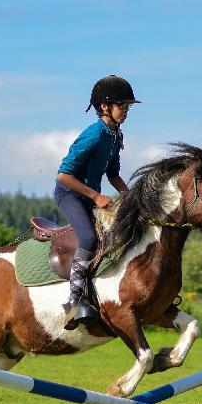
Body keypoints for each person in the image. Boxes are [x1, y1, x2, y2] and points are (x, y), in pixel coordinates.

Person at [55, 74, 141, 327]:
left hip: (90, 196)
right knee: (90, 239)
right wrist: (95, 196)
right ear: (105, 107)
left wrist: (131, 197)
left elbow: (112, 174)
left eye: (128, 107)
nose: (126, 111)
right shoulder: (94, 135)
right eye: (122, 106)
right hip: (69, 194)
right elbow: (63, 175)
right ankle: (73, 301)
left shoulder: (115, 135)